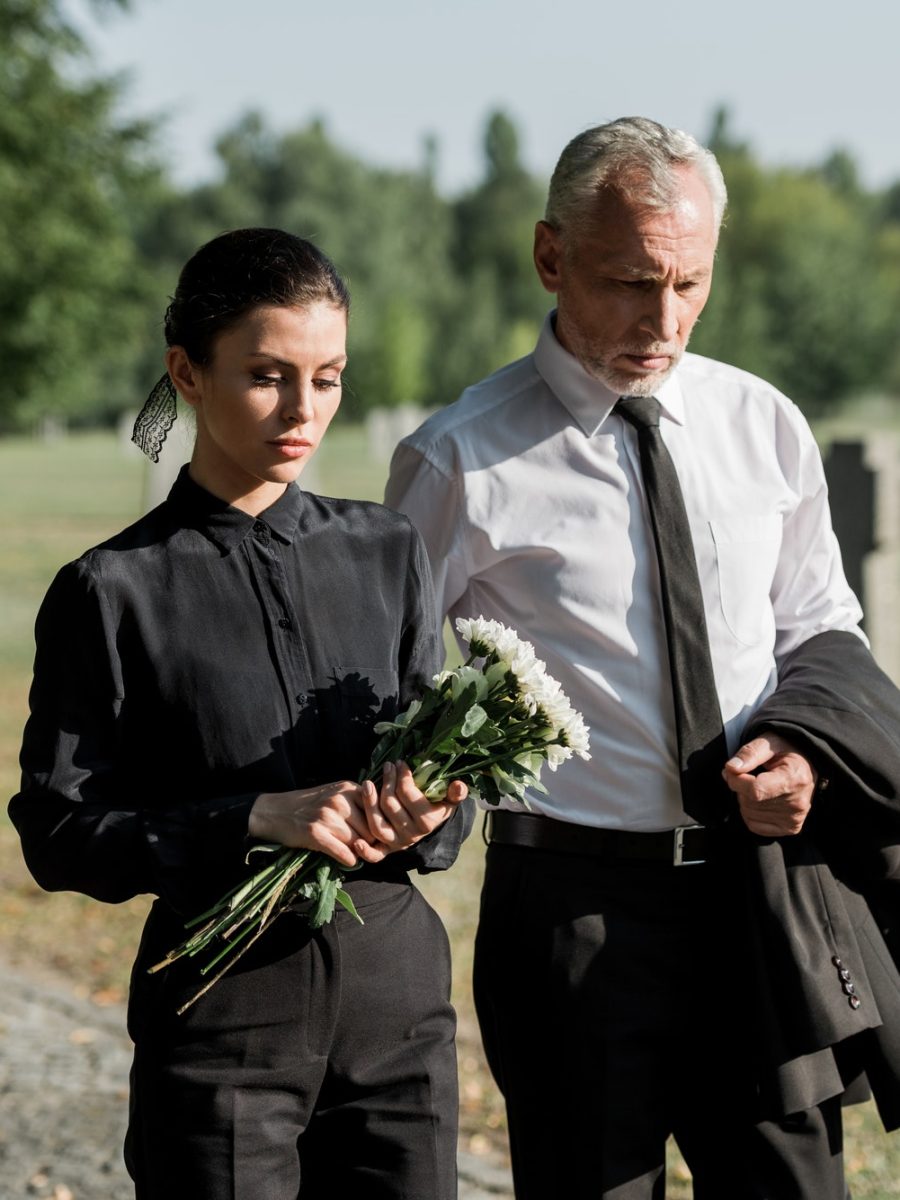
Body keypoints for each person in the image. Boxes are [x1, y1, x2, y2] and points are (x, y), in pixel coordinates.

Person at [386, 117, 900, 1198]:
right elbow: (394, 686)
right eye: (629, 281)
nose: (661, 320)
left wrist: (803, 755)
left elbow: (822, 627)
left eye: (688, 282)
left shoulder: (761, 422)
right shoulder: (458, 457)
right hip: (574, 917)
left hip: (765, 902)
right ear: (550, 256)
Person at [9, 227, 473, 1200]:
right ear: (187, 371)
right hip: (221, 1031)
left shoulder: (389, 552)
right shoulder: (110, 590)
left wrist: (433, 811)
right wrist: (250, 819)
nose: (305, 410)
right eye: (268, 375)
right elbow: (58, 836)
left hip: (400, 1018)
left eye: (329, 377)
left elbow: (447, 795)